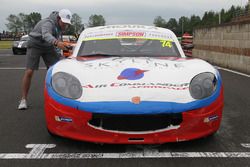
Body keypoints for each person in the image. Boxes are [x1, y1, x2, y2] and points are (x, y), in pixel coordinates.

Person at [18, 9, 73, 110]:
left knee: (56, 70)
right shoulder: (48, 23)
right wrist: (57, 43)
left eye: (67, 24)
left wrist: (63, 49)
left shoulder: (60, 26)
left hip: (48, 46)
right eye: (64, 23)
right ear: (58, 18)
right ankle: (23, 99)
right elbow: (46, 35)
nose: (65, 25)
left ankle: (58, 99)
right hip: (35, 44)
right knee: (29, 71)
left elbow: (55, 39)